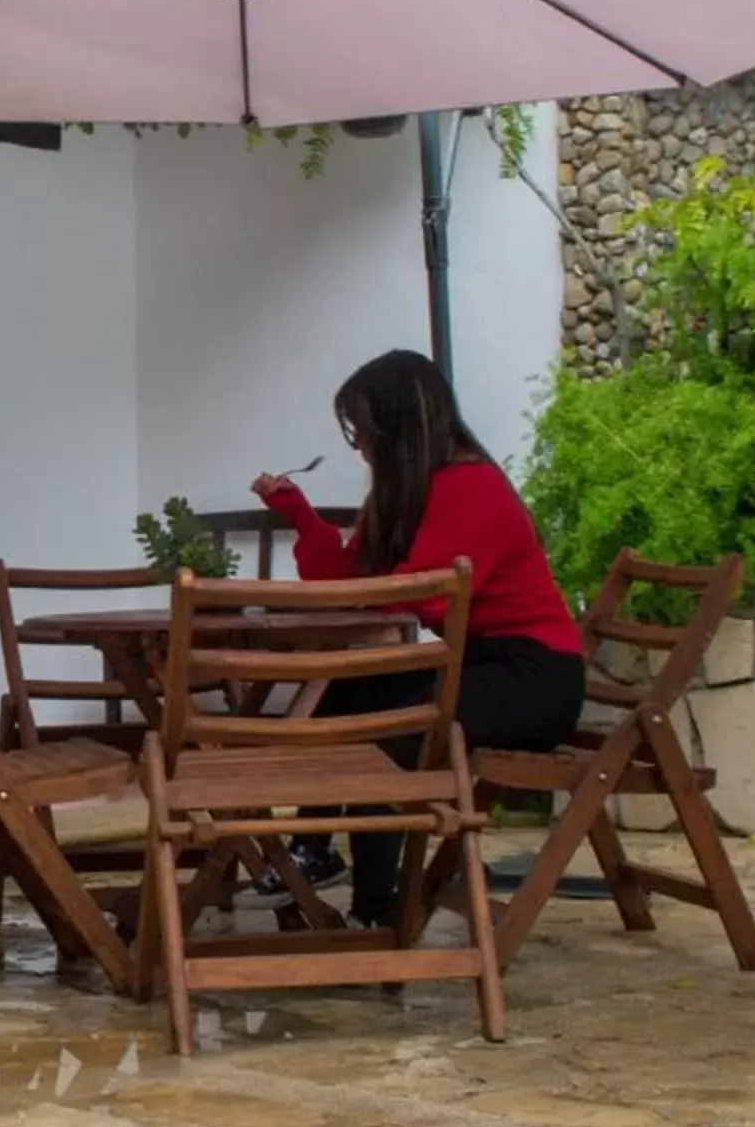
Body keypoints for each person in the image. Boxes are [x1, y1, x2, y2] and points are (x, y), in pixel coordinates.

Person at [250, 349, 586, 930]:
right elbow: (354, 581)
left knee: (392, 733)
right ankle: (313, 847)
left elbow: (427, 595)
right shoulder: (410, 492)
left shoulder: (472, 486)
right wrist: (298, 516)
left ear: (400, 427)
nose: (360, 447)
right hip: (479, 663)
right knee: (351, 693)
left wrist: (372, 586)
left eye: (364, 431)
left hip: (533, 676)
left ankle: (378, 912)